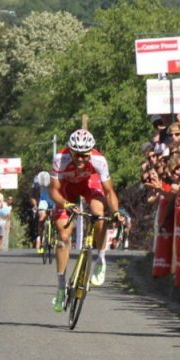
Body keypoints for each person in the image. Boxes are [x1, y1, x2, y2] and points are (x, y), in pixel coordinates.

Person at [49, 128, 121, 311]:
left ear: (91, 152)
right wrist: (65, 205)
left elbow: (109, 191)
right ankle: (60, 286)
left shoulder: (99, 160)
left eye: (85, 155)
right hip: (66, 190)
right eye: (77, 154)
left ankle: (101, 259)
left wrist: (116, 213)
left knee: (99, 213)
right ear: (70, 150)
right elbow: (53, 191)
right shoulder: (60, 158)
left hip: (89, 185)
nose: (81, 159)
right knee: (64, 236)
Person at [30, 167, 52, 252]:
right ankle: (42, 240)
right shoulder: (37, 179)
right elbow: (32, 195)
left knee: (57, 219)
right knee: (41, 218)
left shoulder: (55, 177)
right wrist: (35, 205)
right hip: (44, 200)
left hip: (54, 199)